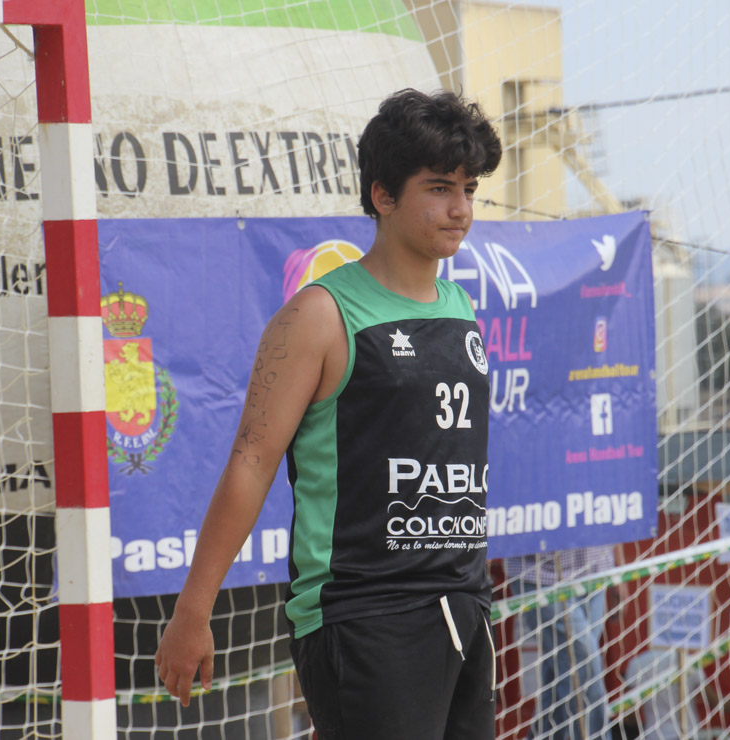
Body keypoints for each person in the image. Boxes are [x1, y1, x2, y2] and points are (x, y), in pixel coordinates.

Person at [154, 88, 503, 740]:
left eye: (470, 189)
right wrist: (193, 610)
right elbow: (251, 462)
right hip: (365, 617)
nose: (460, 209)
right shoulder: (318, 316)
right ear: (382, 195)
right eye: (439, 188)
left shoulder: (459, 308)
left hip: (462, 606)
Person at [506, 547, 616, 740]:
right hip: (540, 573)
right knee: (584, 669)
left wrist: (616, 568)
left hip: (596, 567)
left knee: (560, 677)